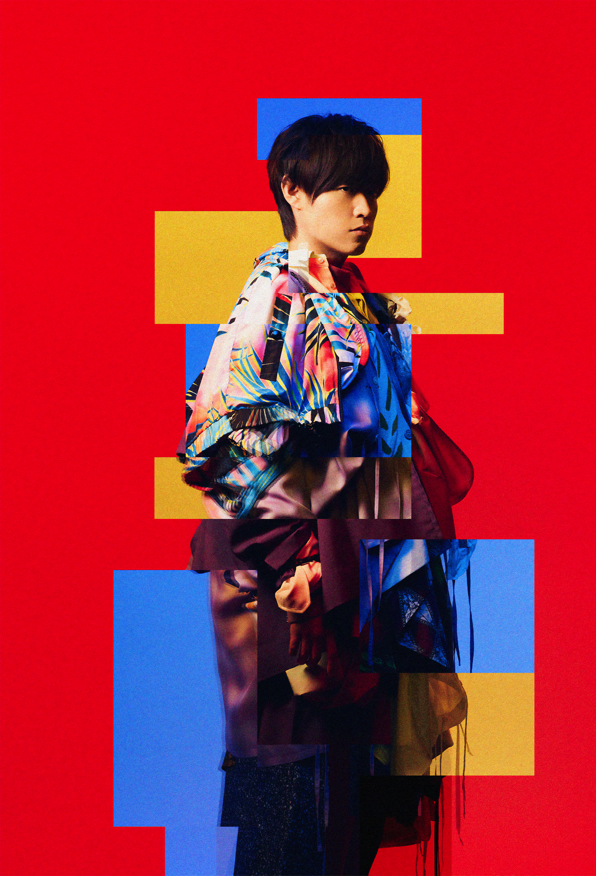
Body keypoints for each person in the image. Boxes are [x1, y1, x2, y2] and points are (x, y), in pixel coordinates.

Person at [181, 114, 474, 875]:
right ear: (293, 190)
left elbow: (386, 449)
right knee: (294, 803)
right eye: (345, 189)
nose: (364, 209)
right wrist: (299, 559)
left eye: (372, 192)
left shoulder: (354, 303)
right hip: (297, 585)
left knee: (348, 810)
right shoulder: (274, 300)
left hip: (361, 578)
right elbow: (220, 450)